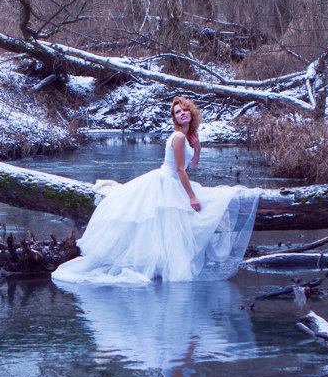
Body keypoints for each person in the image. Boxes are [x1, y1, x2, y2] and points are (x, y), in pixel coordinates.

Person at [51, 96, 259, 285]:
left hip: (175, 182)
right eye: (178, 112)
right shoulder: (178, 137)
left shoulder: (188, 137)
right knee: (167, 224)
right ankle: (160, 265)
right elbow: (179, 170)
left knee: (177, 225)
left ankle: (162, 264)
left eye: (185, 110)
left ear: (192, 113)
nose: (182, 113)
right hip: (167, 182)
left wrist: (197, 149)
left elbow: (191, 165)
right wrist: (192, 196)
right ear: (175, 118)